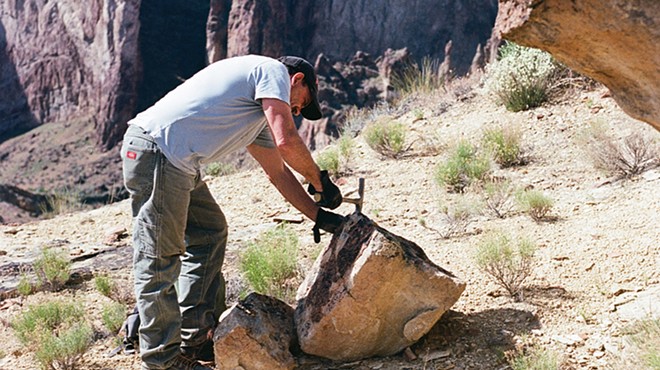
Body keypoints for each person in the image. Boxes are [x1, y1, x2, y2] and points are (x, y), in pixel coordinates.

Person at [120, 55, 345, 370]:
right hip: (158, 152)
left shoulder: (253, 117)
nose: (294, 112)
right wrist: (319, 179)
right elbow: (287, 140)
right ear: (296, 81)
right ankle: (162, 360)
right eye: (298, 105)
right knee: (159, 257)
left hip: (176, 160)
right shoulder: (273, 71)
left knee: (210, 232)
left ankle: (195, 337)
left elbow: (278, 173)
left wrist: (319, 216)